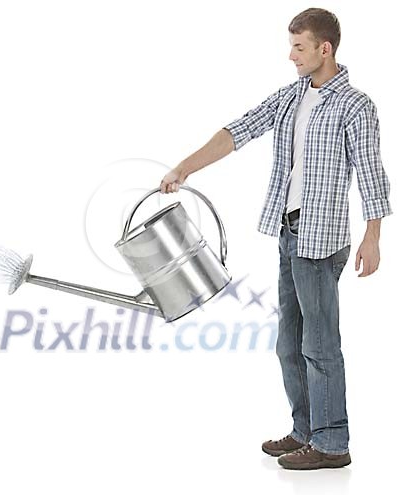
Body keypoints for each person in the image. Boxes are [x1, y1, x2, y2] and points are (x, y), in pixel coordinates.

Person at [159, 7, 392, 470]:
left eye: (299, 48)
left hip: (322, 240)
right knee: (289, 343)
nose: (291, 56)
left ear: (325, 49)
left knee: (319, 344)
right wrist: (185, 166)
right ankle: (306, 431)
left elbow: (371, 174)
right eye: (291, 47)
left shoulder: (356, 105)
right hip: (289, 232)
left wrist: (373, 236)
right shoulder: (292, 97)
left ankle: (332, 443)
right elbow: (238, 130)